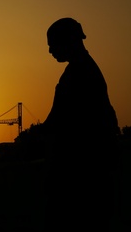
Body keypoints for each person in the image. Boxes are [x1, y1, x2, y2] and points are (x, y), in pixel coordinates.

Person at [42, 18, 119, 232]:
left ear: (69, 41)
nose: (50, 51)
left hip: (81, 178)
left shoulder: (79, 74)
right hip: (88, 175)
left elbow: (60, 120)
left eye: (53, 44)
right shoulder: (82, 70)